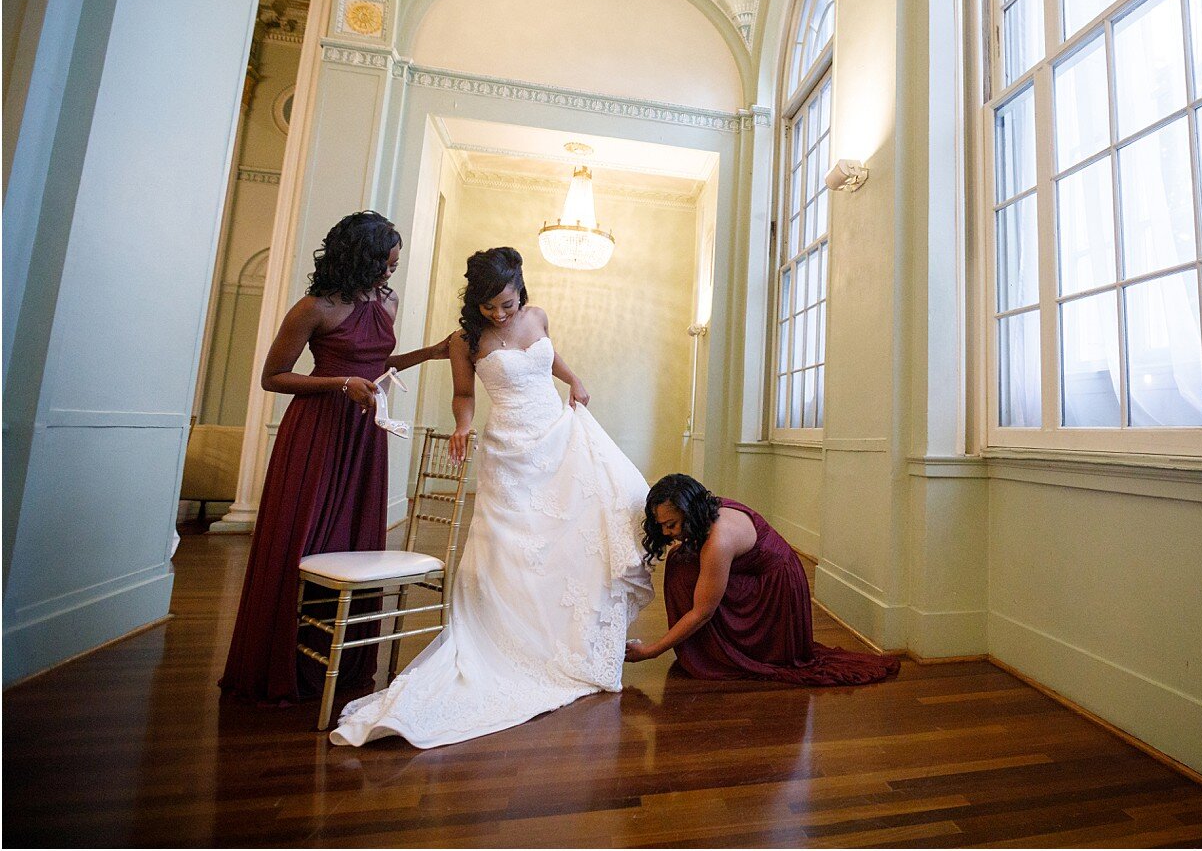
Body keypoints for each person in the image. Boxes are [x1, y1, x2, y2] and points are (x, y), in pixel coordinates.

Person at [331, 247, 653, 748]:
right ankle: (514, 639)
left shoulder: (538, 315)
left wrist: (575, 379)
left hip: (556, 434)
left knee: (601, 509)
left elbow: (549, 354)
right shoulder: (466, 340)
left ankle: (574, 637)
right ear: (475, 303)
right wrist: (462, 426)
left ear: (520, 289)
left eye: (506, 304)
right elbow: (465, 395)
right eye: (490, 307)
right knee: (517, 546)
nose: (500, 315)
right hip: (509, 448)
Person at [220, 211, 449, 705]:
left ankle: (341, 664)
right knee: (306, 540)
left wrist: (428, 353)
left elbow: (376, 363)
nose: (391, 274)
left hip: (365, 436)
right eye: (385, 264)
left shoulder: (384, 301)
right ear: (359, 259)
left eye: (395, 265)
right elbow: (274, 376)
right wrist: (340, 385)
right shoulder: (313, 307)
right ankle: (284, 665)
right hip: (317, 436)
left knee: (353, 542)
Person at [625, 474, 900, 685]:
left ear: (690, 512)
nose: (666, 531)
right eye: (661, 525)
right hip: (762, 577)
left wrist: (651, 651)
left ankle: (717, 655)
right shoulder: (706, 510)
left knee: (684, 570)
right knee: (681, 561)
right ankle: (703, 649)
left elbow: (702, 612)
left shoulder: (719, 541)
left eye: (671, 524)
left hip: (778, 595)